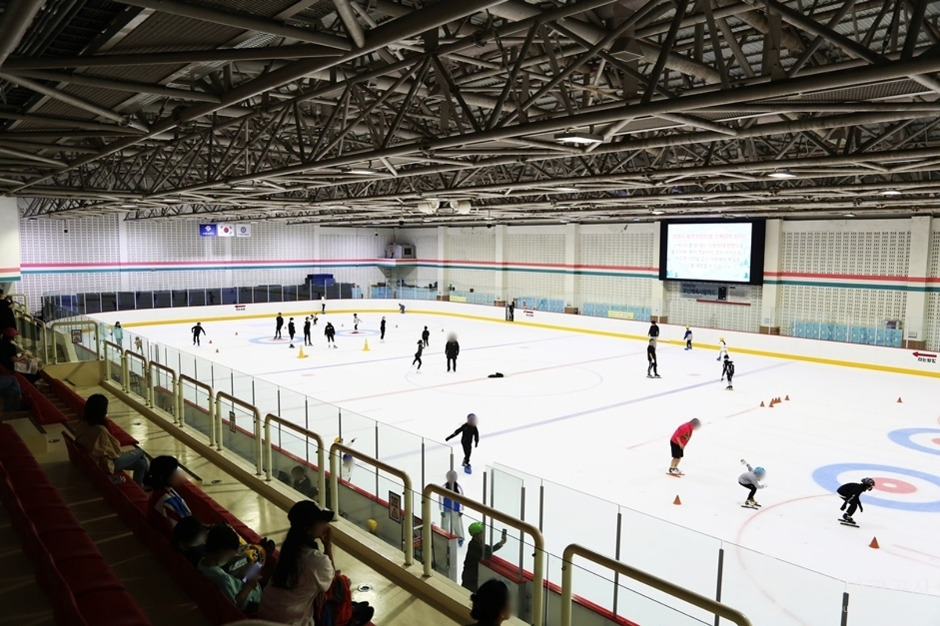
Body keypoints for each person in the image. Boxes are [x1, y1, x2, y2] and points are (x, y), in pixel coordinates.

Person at [259, 500, 373, 626]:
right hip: (292, 622)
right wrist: (328, 545)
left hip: (265, 614)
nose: (325, 524)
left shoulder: (288, 550)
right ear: (308, 530)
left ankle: (350, 609)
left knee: (327, 588)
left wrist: (318, 590)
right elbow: (333, 581)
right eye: (320, 521)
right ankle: (350, 614)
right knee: (341, 583)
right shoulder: (317, 560)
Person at [74, 393, 150, 486]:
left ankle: (140, 486)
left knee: (141, 463)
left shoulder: (83, 423)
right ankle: (148, 478)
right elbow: (116, 453)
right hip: (105, 463)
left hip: (95, 460)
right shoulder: (100, 430)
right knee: (141, 452)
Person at [198, 524, 265, 612]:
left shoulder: (202, 562)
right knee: (260, 570)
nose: (229, 558)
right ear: (223, 552)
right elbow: (234, 604)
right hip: (251, 600)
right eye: (230, 555)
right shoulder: (221, 578)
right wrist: (249, 586)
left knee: (254, 568)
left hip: (242, 583)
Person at [146, 455, 193, 535]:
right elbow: (180, 535)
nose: (178, 475)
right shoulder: (166, 502)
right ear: (163, 477)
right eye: (175, 473)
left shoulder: (162, 492)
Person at [461, 522, 506, 593]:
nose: (483, 534)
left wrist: (500, 543)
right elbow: (488, 553)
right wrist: (499, 544)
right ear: (476, 535)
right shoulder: (475, 546)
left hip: (470, 574)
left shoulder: (475, 543)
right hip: (471, 577)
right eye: (481, 533)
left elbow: (489, 549)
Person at [440, 470, 465, 546]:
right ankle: (444, 536)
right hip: (446, 509)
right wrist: (442, 510)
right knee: (445, 524)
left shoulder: (458, 488)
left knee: (457, 524)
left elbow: (462, 499)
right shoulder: (444, 487)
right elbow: (440, 498)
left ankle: (460, 538)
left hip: (456, 509)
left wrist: (461, 510)